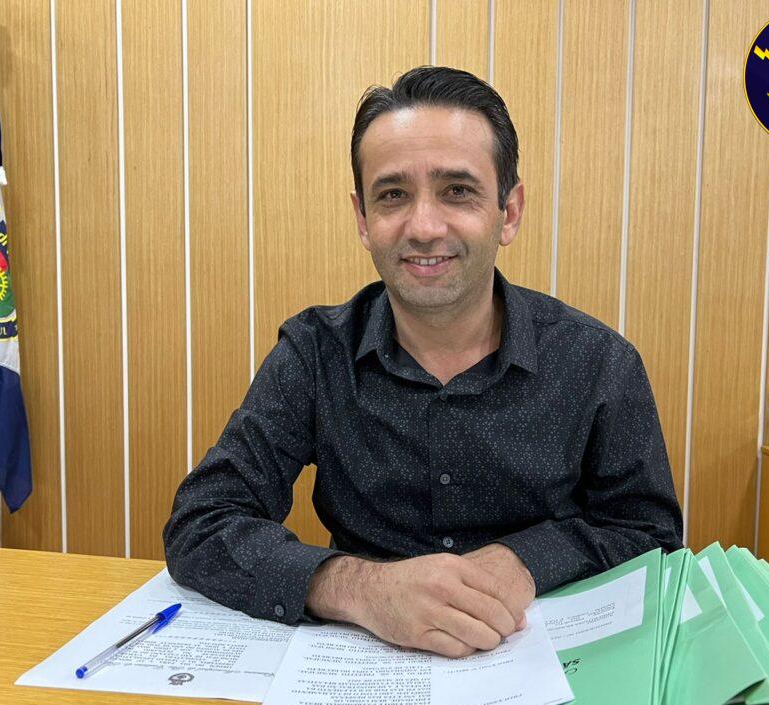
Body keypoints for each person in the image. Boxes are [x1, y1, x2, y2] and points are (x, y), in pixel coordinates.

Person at [164, 66, 682, 659]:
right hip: (363, 664)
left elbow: (652, 538)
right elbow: (202, 522)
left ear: (509, 211)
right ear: (363, 220)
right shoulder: (314, 353)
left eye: (457, 191)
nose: (425, 227)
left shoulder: (598, 361)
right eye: (393, 195)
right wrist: (362, 589)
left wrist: (525, 561)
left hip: (551, 661)